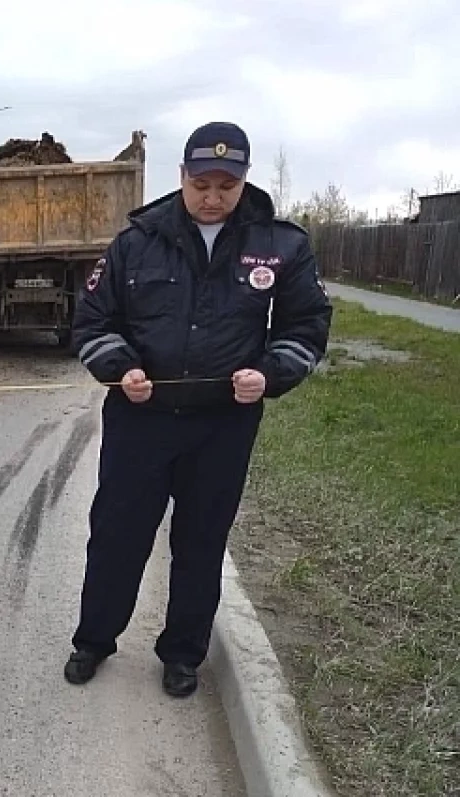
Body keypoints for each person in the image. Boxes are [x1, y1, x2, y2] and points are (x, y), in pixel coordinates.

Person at [64, 122, 332, 698]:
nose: (212, 197)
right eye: (201, 183)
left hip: (223, 426)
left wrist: (269, 373)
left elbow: (306, 327)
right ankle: (94, 640)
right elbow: (92, 321)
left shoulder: (280, 244)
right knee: (117, 535)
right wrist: (121, 368)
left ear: (243, 183)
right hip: (141, 420)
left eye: (225, 186)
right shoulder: (136, 242)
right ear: (181, 177)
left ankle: (182, 655)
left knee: (201, 540)